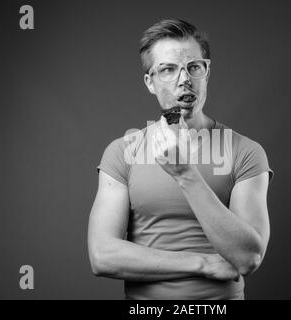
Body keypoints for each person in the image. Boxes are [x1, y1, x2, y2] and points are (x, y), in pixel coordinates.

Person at [87, 18, 274, 300]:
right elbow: (102, 256)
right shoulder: (123, 151)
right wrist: (203, 263)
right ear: (150, 81)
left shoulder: (245, 152)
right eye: (168, 69)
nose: (184, 79)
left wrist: (185, 173)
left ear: (207, 71)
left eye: (194, 67)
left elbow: (248, 258)